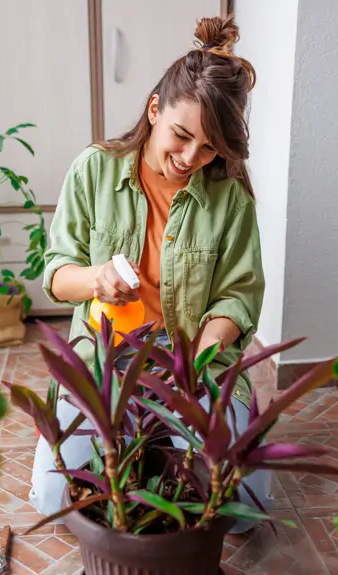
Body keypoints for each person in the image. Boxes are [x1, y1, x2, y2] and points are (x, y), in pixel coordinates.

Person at [30, 14, 270, 534]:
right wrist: (96, 280)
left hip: (191, 372)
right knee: (54, 499)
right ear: (155, 109)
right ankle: (151, 446)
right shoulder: (93, 170)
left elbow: (238, 297)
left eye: (208, 148)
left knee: (244, 509)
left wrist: (199, 358)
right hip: (106, 368)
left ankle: (172, 437)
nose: (189, 158)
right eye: (180, 136)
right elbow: (56, 274)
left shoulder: (229, 198)